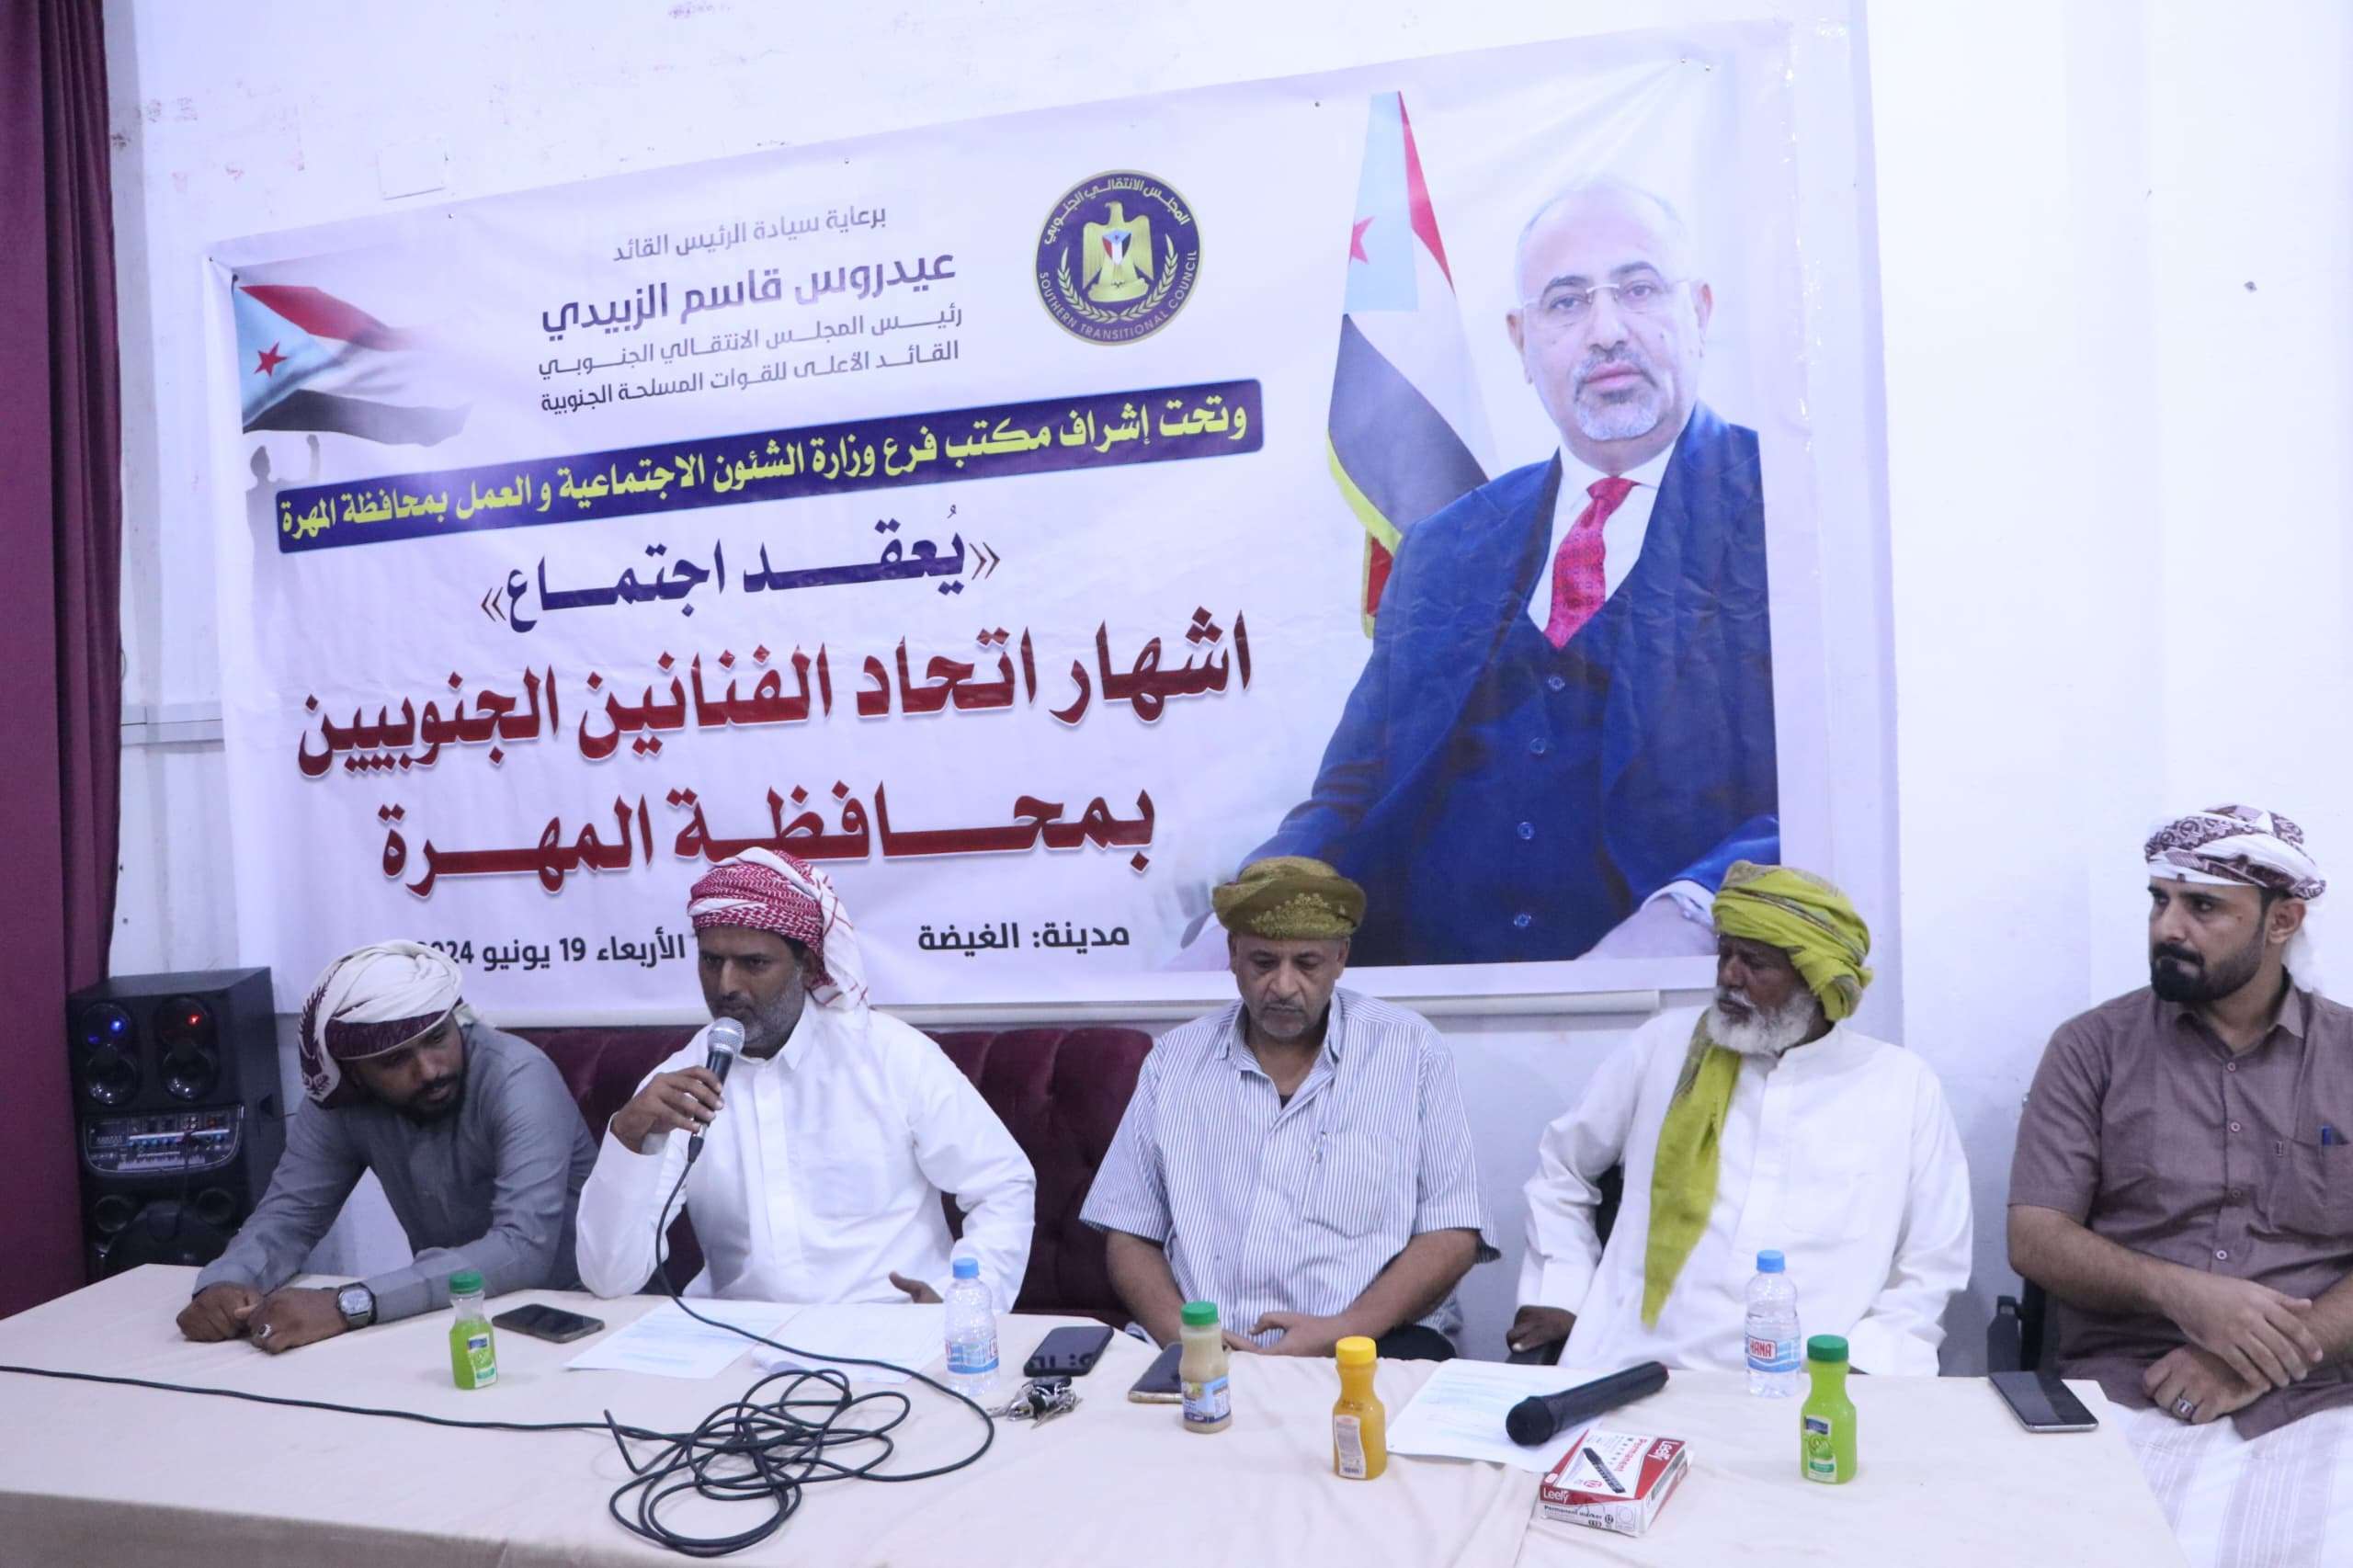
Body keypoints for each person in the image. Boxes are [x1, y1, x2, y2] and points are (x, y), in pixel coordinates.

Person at [1250, 180, 1774, 966]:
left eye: (1638, 290)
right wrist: (1249, 917)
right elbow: (1351, 795)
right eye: (1566, 303)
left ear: (1699, 311)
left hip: (1670, 1005)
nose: (1606, 332)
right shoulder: (1444, 546)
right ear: (1521, 343)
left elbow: (1833, 790)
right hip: (1420, 1002)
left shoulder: (1789, 511)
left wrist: (1694, 910)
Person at [2009, 805, 2353, 1565]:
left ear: (2282, 920)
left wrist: (2249, 1357)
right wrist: (2182, 1295)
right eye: (2159, 900)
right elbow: (2035, 1236)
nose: (2168, 927)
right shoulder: (2091, 1049)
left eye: (2202, 906)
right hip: (2123, 1391)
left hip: (2320, 1400)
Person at [1511, 862, 1971, 1374]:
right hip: (1634, 1368)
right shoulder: (1663, 1048)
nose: (1729, 976)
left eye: (1755, 962)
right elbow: (1562, 1169)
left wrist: (1868, 1362)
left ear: (1817, 978)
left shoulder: (1900, 1085)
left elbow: (1932, 1260)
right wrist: (1561, 1291)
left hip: (1811, 1384)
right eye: (1724, 953)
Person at [574, 849, 1035, 1308]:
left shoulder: (890, 1056)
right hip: (738, 1336)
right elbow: (609, 1279)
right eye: (712, 961)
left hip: (893, 1327)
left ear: (808, 967)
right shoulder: (678, 1087)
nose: (726, 985)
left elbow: (1002, 1185)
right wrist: (629, 1137)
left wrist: (965, 1304)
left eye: (754, 964)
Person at [1083, 856, 1495, 1358]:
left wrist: (1345, 1329)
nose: (1282, 986)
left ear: (1340, 958)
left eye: (1306, 963)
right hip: (1202, 1349)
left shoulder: (1410, 1050)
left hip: (1368, 1344)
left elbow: (1452, 1231)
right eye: (1263, 963)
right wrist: (1184, 1336)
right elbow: (1130, 1233)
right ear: (1233, 955)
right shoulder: (1174, 1061)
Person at [176, 942, 598, 1352]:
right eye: (395, 1060)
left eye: (438, 1037)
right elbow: (289, 1216)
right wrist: (227, 1282)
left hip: (578, 1314)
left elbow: (522, 1249)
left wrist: (349, 1305)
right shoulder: (341, 1100)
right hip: (446, 1318)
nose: (430, 1070)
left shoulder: (518, 1077)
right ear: (353, 1074)